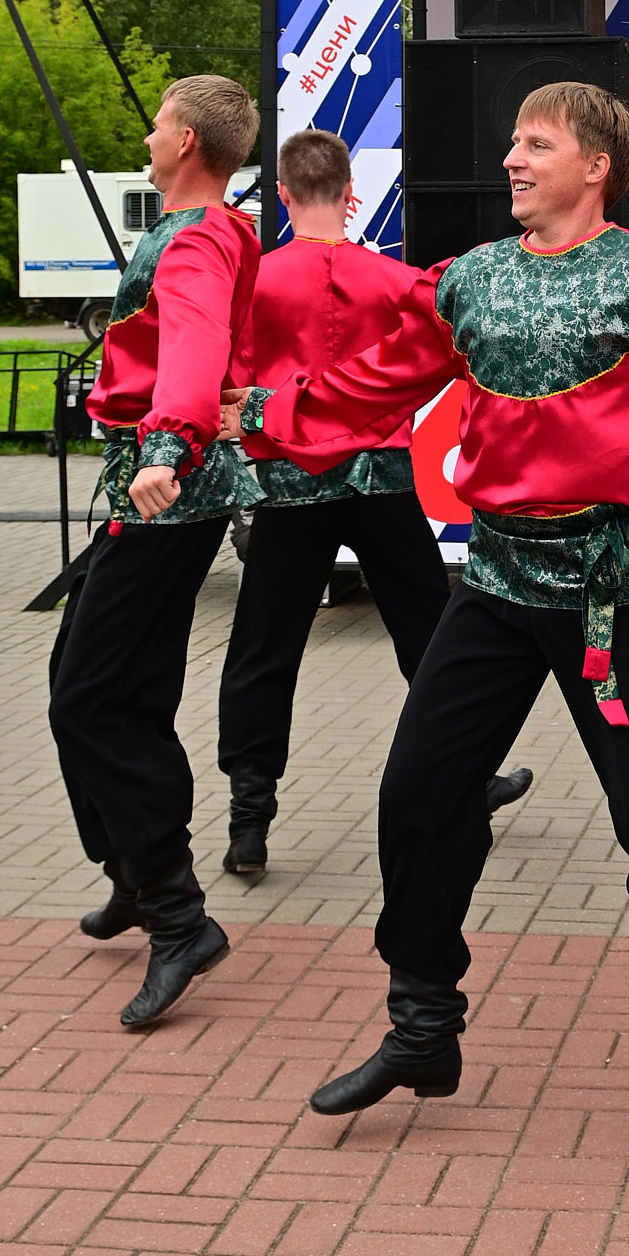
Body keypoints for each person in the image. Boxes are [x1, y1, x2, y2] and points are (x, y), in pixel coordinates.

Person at [241, 80, 629, 1170]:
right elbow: (370, 387)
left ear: (595, 165)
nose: (512, 159)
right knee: (417, 800)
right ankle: (423, 1029)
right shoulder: (468, 282)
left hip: (617, 596)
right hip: (496, 587)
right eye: (512, 141)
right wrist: (249, 416)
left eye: (535, 143)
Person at [215, 126, 531, 881]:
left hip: (292, 481)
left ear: (284, 195)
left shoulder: (254, 279)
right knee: (428, 631)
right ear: (351, 195)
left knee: (266, 646)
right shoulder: (397, 281)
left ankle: (249, 817)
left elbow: (232, 380)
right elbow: (452, 353)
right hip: (382, 475)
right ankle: (472, 776)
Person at [48, 76, 262, 1031]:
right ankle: (138, 874)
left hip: (169, 490)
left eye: (153, 125)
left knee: (90, 698)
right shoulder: (207, 231)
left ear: (182, 140)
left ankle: (178, 915)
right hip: (164, 487)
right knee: (100, 685)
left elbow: (194, 341)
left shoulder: (197, 237)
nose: (145, 135)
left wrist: (170, 444)